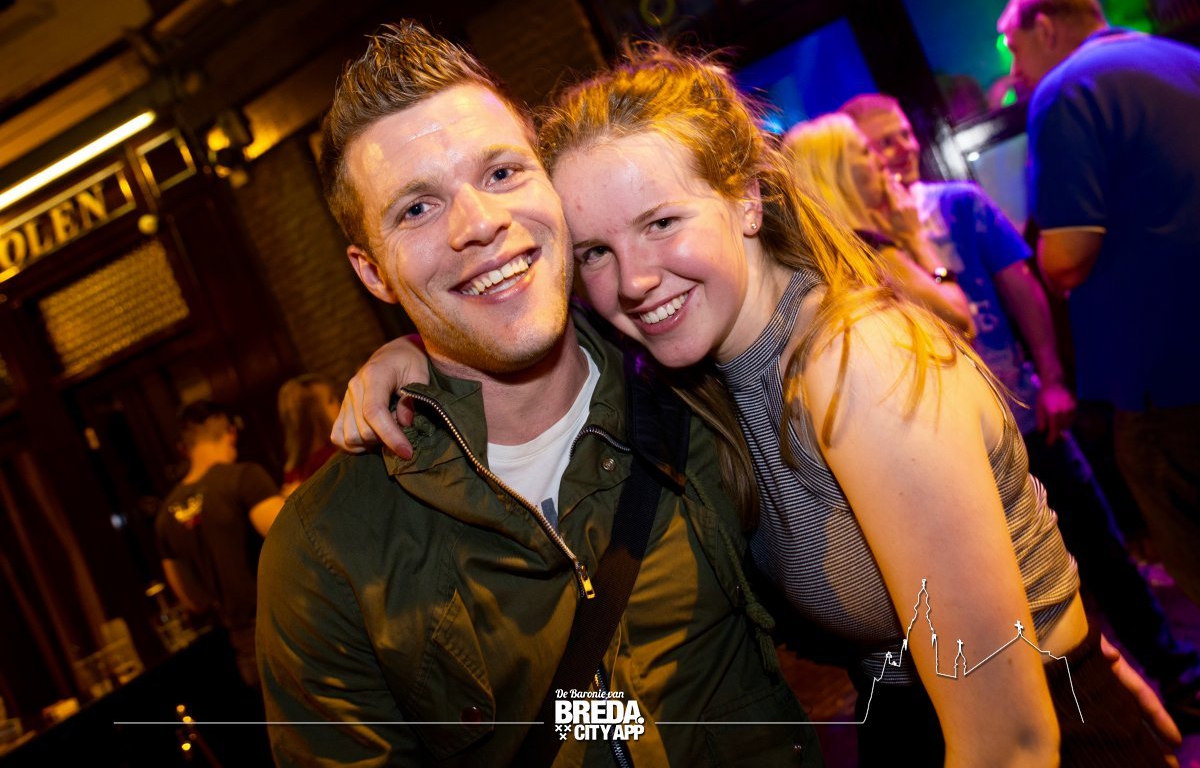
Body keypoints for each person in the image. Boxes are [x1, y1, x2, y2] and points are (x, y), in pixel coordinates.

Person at [336, 44, 1178, 765]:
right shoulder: (694, 381)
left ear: (745, 197)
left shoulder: (854, 363)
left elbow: (1010, 739)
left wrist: (1080, 670)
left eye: (662, 222)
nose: (633, 279)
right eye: (595, 251)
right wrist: (418, 352)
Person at [255, 21, 819, 768]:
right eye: (416, 209)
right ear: (372, 272)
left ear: (551, 187)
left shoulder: (704, 392)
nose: (479, 224)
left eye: (501, 173)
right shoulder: (326, 554)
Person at [844, 90, 1200, 730]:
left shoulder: (957, 205)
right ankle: (1087, 716)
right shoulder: (862, 239)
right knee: (1024, 590)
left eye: (902, 133)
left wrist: (1053, 378)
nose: (898, 148)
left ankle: (1178, 678)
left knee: (1102, 552)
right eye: (879, 142)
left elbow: (1024, 288)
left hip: (1026, 417)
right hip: (956, 451)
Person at [999, 0, 1200, 651]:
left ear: (1046, 28)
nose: (1014, 72)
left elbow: (1067, 254)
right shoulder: (1182, 59)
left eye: (1014, 50)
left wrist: (1043, 255)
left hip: (1166, 377)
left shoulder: (1067, 89)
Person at [781, 112, 975, 337]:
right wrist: (916, 238)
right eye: (866, 152)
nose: (881, 162)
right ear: (838, 174)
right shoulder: (869, 251)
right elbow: (961, 321)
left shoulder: (826, 257)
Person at [156, 400, 284, 687]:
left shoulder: (165, 517)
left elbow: (193, 601)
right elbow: (294, 537)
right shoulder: (244, 478)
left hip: (246, 649)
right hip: (290, 631)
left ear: (184, 448)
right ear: (231, 432)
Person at [276, 374, 341, 496]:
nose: (339, 403)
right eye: (331, 400)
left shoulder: (292, 472)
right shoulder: (336, 458)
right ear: (315, 416)